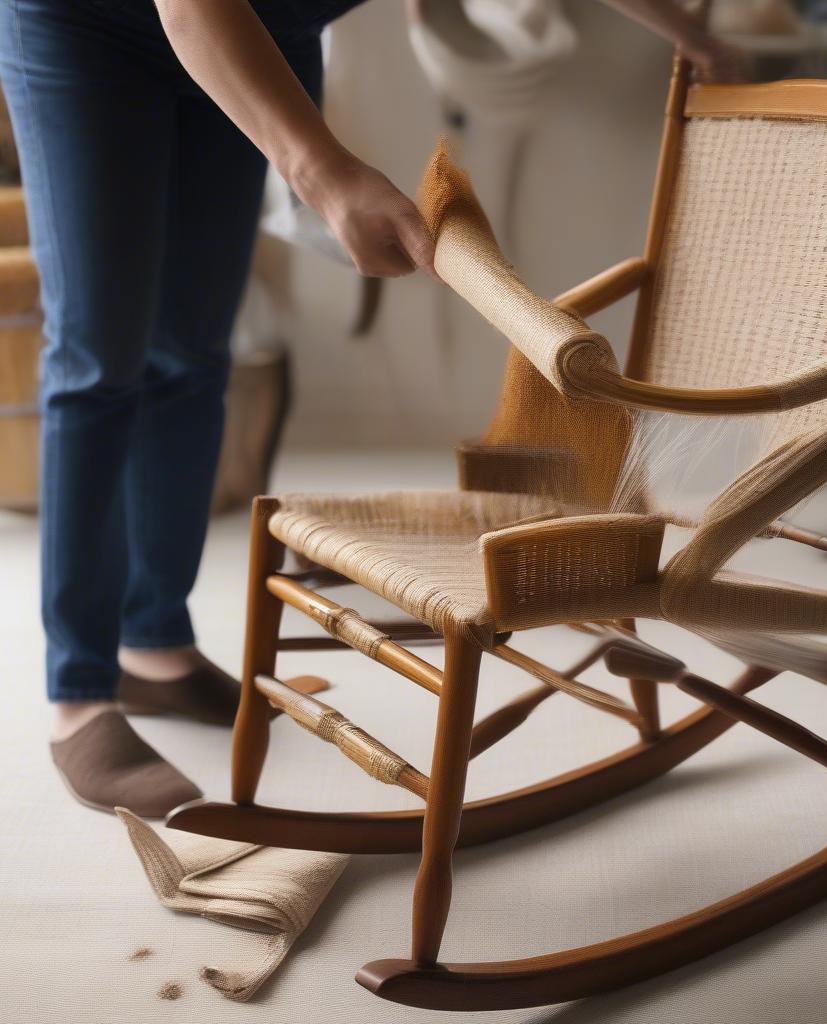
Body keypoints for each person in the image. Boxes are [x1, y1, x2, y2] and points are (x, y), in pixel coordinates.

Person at [0, 0, 744, 818]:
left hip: (260, 34)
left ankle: (156, 646)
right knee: (98, 358)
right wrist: (324, 172)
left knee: (192, 358)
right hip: (87, 27)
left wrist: (684, 28)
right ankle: (78, 695)